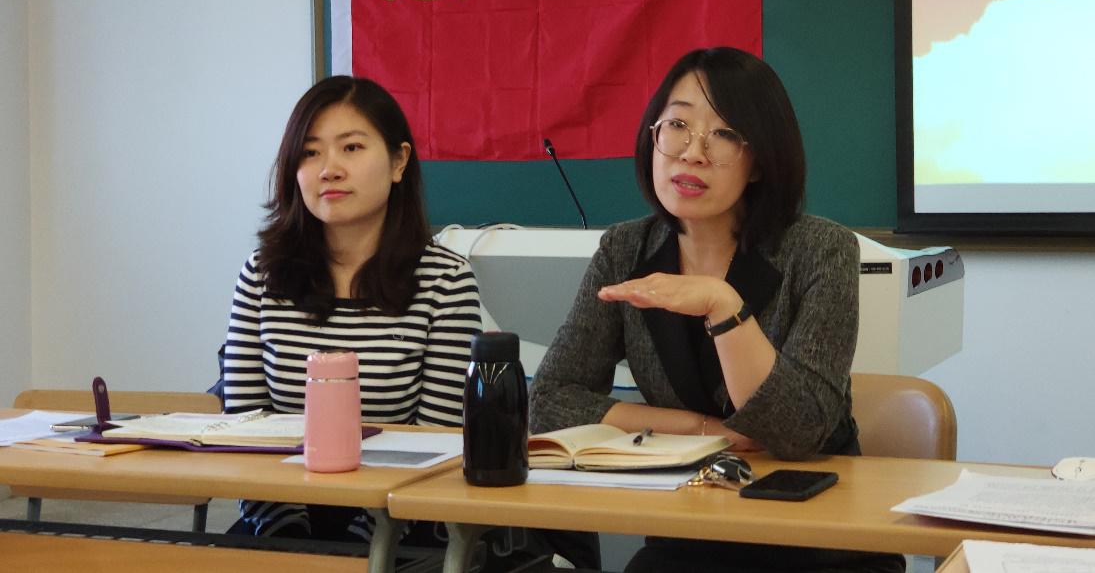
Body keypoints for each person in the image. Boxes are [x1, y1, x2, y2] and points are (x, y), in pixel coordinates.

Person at [529, 47, 904, 573]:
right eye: (677, 125)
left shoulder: (821, 250)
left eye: (724, 134)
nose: (692, 153)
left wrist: (724, 306)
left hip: (818, 538)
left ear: (759, 162)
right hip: (692, 529)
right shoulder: (624, 250)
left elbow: (796, 433)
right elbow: (550, 401)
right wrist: (703, 429)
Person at [222, 75, 482, 541]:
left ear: (399, 161)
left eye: (352, 148)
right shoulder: (262, 275)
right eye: (310, 152)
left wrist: (362, 546)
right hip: (281, 517)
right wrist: (288, 536)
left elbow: (438, 444)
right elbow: (246, 430)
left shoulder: (445, 281)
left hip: (401, 523)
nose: (329, 169)